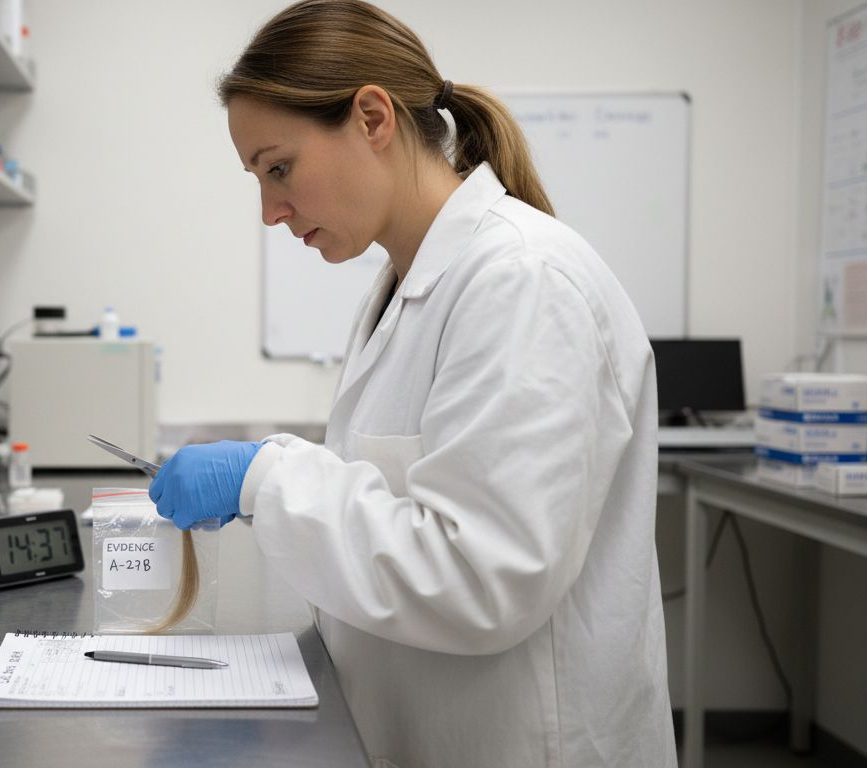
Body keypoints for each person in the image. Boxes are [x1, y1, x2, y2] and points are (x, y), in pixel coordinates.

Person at [146, 1, 676, 766]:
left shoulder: (523, 281)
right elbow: (399, 502)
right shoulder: (407, 287)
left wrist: (266, 480)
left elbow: (483, 577)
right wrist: (277, 477)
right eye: (258, 178)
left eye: (279, 167)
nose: (269, 210)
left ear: (372, 118)